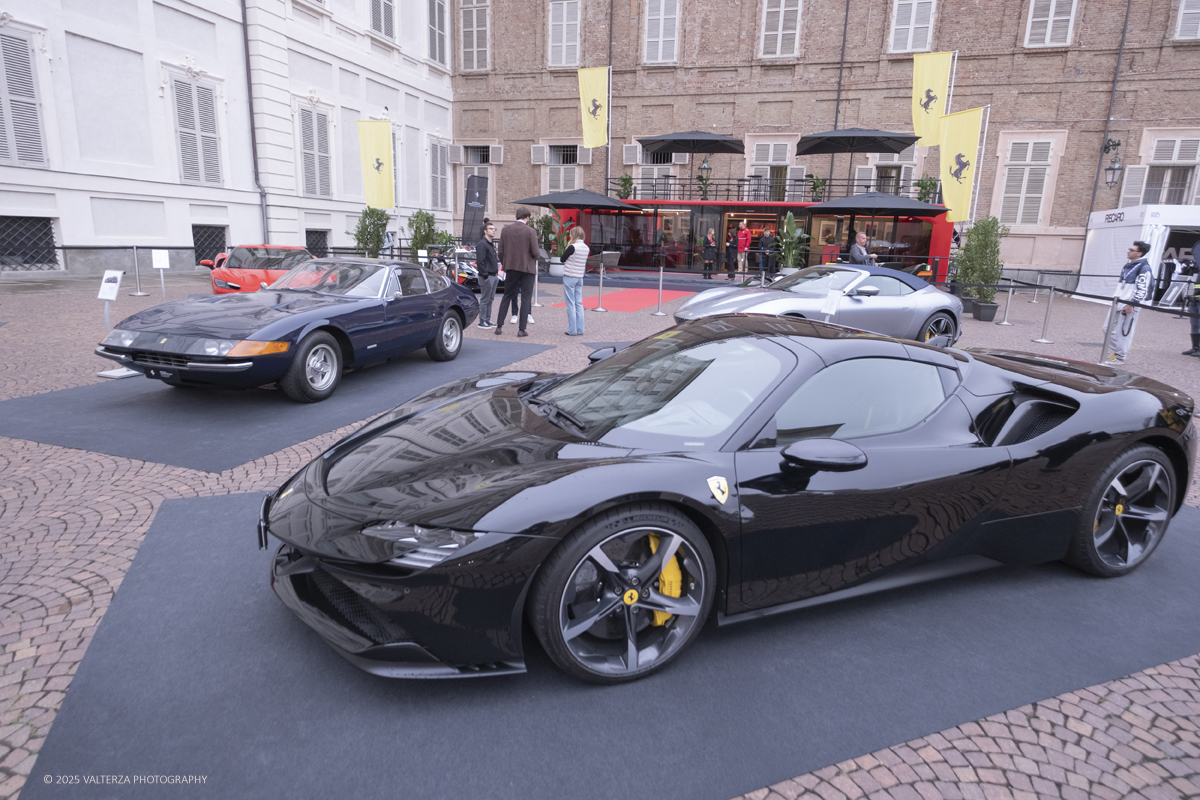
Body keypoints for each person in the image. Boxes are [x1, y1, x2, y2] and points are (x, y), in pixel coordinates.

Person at [1104, 240, 1153, 364]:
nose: (1128, 251)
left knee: (1124, 332)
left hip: (1129, 303)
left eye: (1132, 250)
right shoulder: (1128, 265)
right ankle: (1120, 351)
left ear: (1140, 253)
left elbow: (1143, 288)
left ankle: (1120, 355)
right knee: (1106, 328)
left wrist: (1132, 304)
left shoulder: (1144, 268)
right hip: (1118, 300)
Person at [496, 207, 540, 337]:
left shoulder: (505, 230)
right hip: (527, 268)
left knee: (507, 296)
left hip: (511, 267)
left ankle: (499, 326)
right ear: (527, 217)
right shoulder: (530, 231)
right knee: (526, 298)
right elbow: (536, 252)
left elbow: (500, 252)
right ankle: (521, 329)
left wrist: (506, 262)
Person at [559, 226, 589, 336]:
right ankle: (580, 329)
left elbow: (562, 258)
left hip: (570, 276)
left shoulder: (572, 247)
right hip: (579, 277)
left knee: (570, 304)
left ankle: (572, 330)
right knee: (579, 304)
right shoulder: (586, 247)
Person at [474, 220, 500, 329]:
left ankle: (488, 320)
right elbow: (480, 261)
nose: (493, 230)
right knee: (485, 299)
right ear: (485, 231)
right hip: (487, 276)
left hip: (494, 275)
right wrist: (485, 275)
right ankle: (482, 321)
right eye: (491, 229)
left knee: (490, 299)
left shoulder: (490, 244)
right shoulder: (482, 244)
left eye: (494, 229)